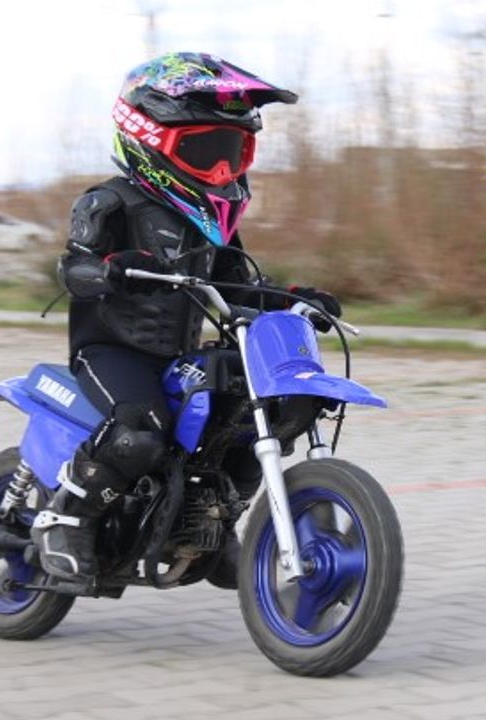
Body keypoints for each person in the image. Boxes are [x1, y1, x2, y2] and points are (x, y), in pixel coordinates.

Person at [30, 52, 341, 585]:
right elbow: (74, 267)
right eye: (204, 149)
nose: (221, 168)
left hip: (178, 355)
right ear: (148, 138)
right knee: (141, 432)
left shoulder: (210, 224)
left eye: (232, 151)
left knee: (245, 415)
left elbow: (238, 285)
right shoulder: (109, 202)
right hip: (111, 351)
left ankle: (211, 525)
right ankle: (67, 518)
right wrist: (110, 270)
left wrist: (293, 300)